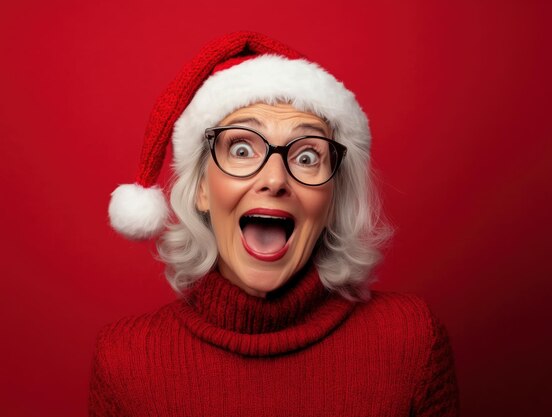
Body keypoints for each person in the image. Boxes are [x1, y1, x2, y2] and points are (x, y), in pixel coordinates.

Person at [91, 31, 459, 416]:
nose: (275, 179)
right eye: (242, 149)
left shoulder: (412, 341)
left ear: (333, 197)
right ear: (201, 187)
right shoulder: (125, 361)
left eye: (305, 157)